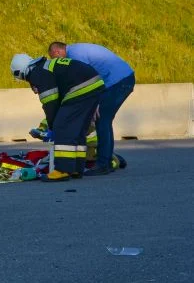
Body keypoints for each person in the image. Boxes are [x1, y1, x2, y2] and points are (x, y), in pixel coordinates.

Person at [11, 53, 104, 181]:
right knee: (78, 129)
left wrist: (52, 127)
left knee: (63, 127)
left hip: (81, 88)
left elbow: (50, 103)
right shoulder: (45, 66)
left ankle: (63, 170)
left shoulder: (37, 73)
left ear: (20, 72)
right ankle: (76, 168)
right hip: (94, 83)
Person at [48, 41, 134, 175]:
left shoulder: (75, 56)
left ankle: (103, 164)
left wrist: (95, 102)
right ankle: (107, 158)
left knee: (102, 119)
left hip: (117, 82)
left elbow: (88, 79)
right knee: (105, 120)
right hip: (123, 79)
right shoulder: (77, 49)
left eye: (55, 60)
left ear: (57, 52)